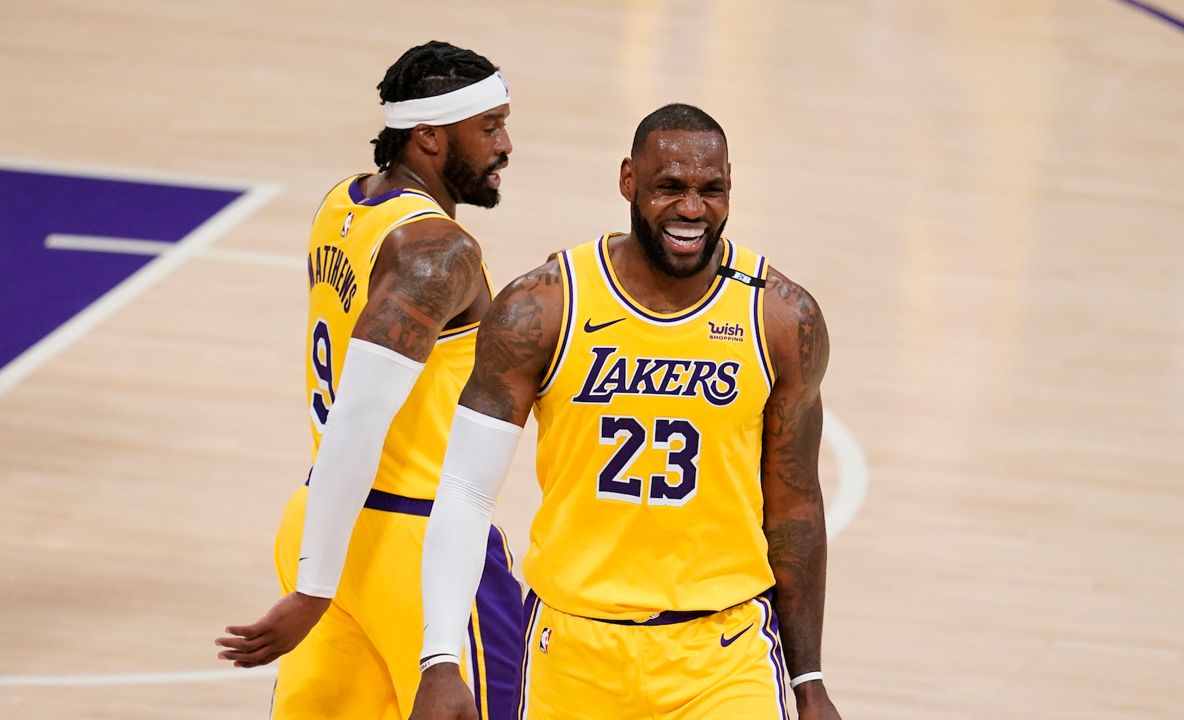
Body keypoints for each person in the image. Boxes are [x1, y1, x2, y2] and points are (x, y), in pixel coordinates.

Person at [410, 103, 841, 720]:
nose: (692, 210)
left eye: (711, 189)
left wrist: (810, 679)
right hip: (574, 650)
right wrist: (439, 659)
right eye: (670, 187)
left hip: (723, 655)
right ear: (628, 181)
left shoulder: (781, 317)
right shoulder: (544, 307)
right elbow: (465, 489)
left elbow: (796, 503)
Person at [214, 41, 524, 720]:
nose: (506, 145)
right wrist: (313, 589)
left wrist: (318, 572)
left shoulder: (344, 204)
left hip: (323, 517)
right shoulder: (436, 253)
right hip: (414, 544)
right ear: (430, 138)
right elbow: (360, 416)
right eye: (490, 128)